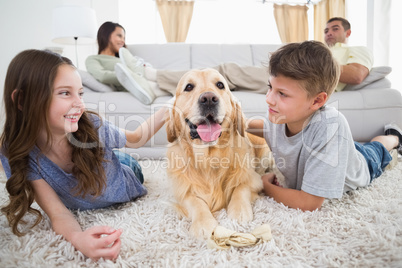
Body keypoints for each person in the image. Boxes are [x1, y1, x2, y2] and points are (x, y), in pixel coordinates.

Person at [0, 49, 169, 260]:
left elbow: (136, 138)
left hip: (123, 172)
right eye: (65, 93)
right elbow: (58, 213)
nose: (80, 104)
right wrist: (78, 238)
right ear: (22, 101)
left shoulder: (92, 126)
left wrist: (168, 109)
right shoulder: (17, 151)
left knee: (128, 161)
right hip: (94, 172)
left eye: (80, 93)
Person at [247, 41, 402, 212]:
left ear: (317, 101)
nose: (268, 99)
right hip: (335, 147)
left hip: (363, 163)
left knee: (376, 148)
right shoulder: (282, 116)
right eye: (270, 87)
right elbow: (265, 128)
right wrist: (237, 122)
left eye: (282, 93)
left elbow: (309, 203)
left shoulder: (330, 125)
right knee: (363, 146)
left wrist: (265, 185)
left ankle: (394, 137)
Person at [85, 21, 269, 105]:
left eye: (123, 37)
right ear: (105, 34)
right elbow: (101, 75)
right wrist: (128, 74)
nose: (122, 40)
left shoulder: (126, 56)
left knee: (199, 79)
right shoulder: (93, 59)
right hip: (130, 82)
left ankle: (151, 82)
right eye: (118, 35)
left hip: (141, 77)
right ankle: (148, 79)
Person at [324, 17, 374, 92]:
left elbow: (356, 75)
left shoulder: (358, 50)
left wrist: (313, 65)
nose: (329, 33)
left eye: (335, 29)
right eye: (326, 31)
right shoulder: (319, 50)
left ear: (348, 33)